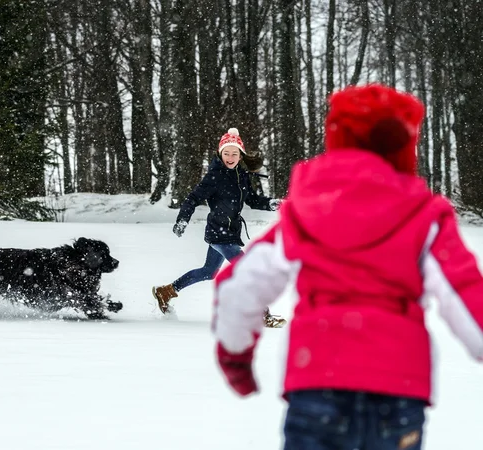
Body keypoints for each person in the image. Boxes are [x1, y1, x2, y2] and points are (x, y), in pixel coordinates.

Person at [211, 84, 483, 450]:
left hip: (317, 381)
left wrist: (236, 358)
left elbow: (239, 288)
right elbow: (466, 297)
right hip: (396, 389)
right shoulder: (423, 216)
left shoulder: (304, 213)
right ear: (403, 146)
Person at [152, 127, 286, 328]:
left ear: (240, 155)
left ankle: (166, 291)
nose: (230, 157)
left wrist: (271, 203)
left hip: (230, 233)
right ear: (220, 153)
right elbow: (192, 198)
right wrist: (182, 220)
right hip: (218, 232)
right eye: (226, 153)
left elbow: (251, 199)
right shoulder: (214, 176)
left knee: (208, 272)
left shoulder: (241, 176)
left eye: (234, 153)